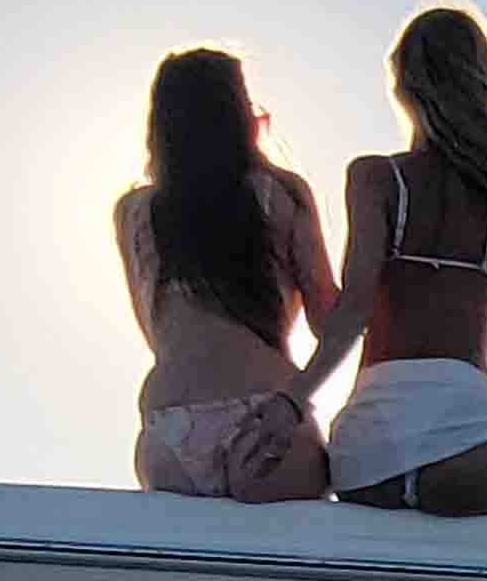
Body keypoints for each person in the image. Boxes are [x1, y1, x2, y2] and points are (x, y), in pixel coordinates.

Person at [300, 4, 487, 517]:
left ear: (405, 88)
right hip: (469, 432)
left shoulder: (376, 179)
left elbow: (352, 315)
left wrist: (296, 396)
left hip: (376, 433)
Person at [120, 48, 339, 501]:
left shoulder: (134, 212)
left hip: (168, 425)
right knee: (289, 564)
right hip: (262, 413)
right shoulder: (279, 192)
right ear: (239, 114)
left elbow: (154, 330)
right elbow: (329, 322)